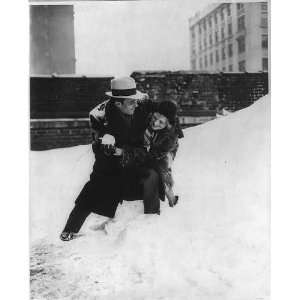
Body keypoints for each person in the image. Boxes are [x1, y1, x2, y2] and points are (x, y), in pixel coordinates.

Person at [60, 77, 161, 241]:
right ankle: (69, 231)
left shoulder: (141, 104)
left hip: (135, 160)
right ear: (117, 104)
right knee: (92, 190)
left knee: (152, 175)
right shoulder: (99, 116)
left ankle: (152, 221)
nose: (135, 105)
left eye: (136, 102)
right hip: (110, 165)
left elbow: (164, 117)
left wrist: (125, 152)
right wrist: (105, 146)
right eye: (130, 103)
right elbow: (98, 149)